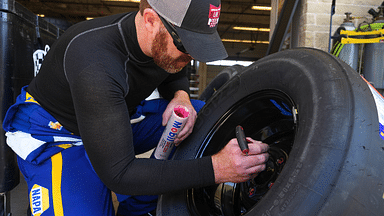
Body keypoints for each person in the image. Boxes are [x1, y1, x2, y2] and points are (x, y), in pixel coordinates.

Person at [2, 0, 269, 215]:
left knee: (199, 115)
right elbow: (119, 174)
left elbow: (173, 69)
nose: (191, 56)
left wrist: (181, 96)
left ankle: (139, 209)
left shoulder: (160, 42)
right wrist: (217, 168)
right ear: (151, 20)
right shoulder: (94, 61)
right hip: (56, 134)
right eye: (185, 46)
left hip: (114, 115)